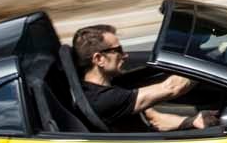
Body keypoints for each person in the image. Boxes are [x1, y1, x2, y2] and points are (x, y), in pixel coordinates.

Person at [71, 24, 218, 132]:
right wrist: (206, 62)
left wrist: (192, 121)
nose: (125, 55)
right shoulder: (103, 99)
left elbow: (154, 119)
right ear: (99, 59)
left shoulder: (110, 84)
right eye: (118, 50)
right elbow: (172, 88)